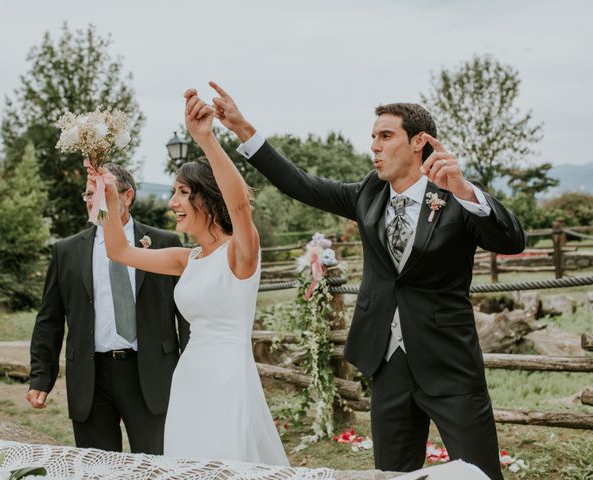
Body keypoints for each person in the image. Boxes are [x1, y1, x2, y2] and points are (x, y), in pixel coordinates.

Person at [207, 82, 526, 480]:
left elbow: (511, 240)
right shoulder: (368, 195)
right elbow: (298, 183)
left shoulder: (454, 196)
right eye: (373, 137)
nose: (374, 146)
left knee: (480, 474)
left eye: (386, 136)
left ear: (419, 142)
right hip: (386, 362)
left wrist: (462, 190)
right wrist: (241, 128)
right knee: (390, 475)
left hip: (448, 363)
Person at [100, 89, 289, 466]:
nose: (173, 203)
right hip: (190, 378)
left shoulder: (241, 253)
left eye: (183, 193)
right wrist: (108, 199)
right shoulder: (187, 260)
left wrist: (205, 137)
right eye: (173, 193)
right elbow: (118, 251)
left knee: (228, 463)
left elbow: (239, 204)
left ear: (207, 198)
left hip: (228, 380)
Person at [27, 163, 189, 454]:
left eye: (99, 192)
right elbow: (49, 320)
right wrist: (41, 377)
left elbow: (187, 314)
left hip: (150, 373)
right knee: (97, 468)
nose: (91, 200)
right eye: (87, 194)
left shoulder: (165, 243)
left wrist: (193, 369)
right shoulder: (66, 251)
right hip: (90, 378)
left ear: (126, 197)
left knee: (158, 464)